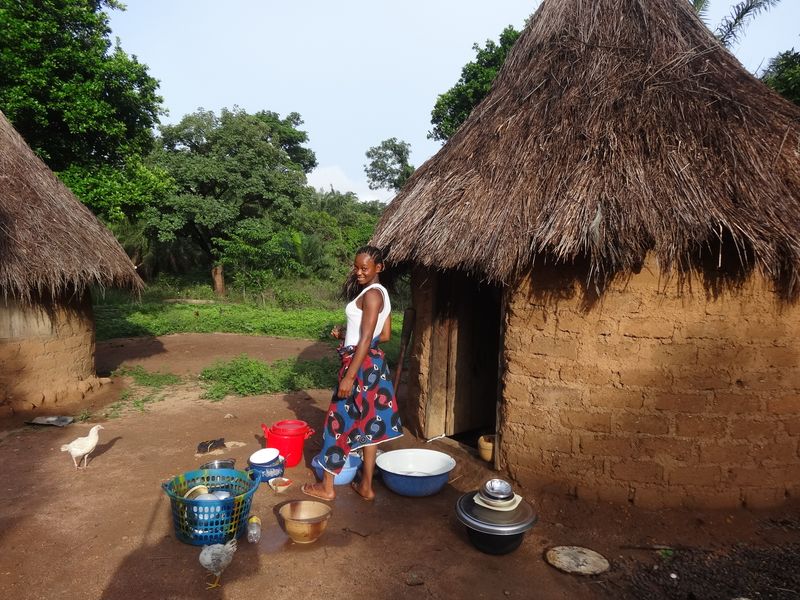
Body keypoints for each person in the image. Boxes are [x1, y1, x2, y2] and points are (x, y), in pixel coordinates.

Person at [302, 245, 402, 500]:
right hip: (374, 367)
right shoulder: (383, 294)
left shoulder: (371, 296)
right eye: (356, 267)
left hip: (359, 367)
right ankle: (366, 486)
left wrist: (349, 376)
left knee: (336, 424)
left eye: (364, 268)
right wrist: (346, 334)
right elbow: (385, 335)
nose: (358, 272)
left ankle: (326, 487)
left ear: (379, 268)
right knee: (371, 424)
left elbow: (367, 338)